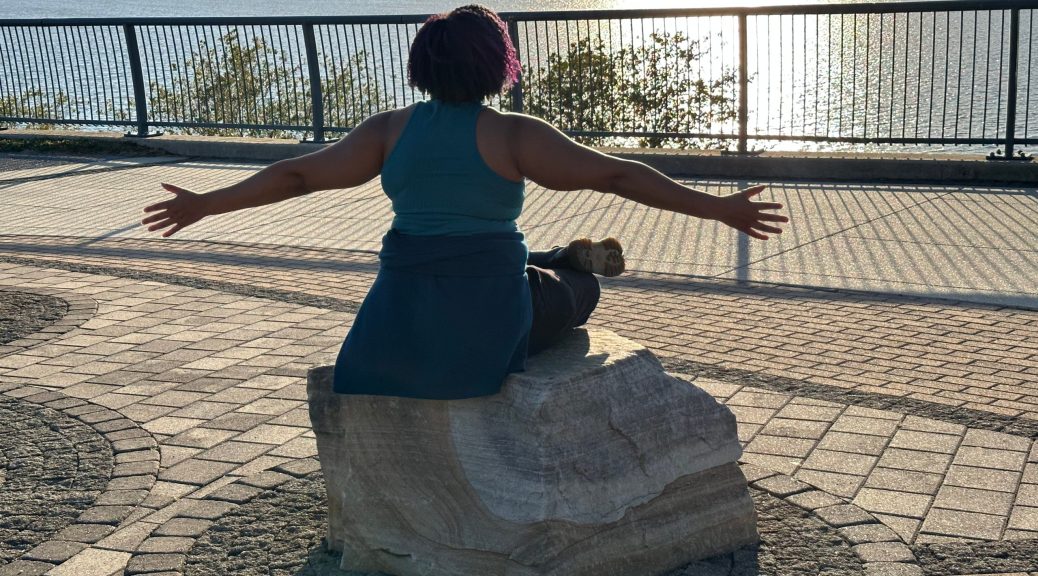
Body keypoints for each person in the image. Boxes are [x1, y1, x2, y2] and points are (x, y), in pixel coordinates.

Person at [142, 4, 787, 400]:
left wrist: (204, 205)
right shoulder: (513, 134)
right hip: (491, 317)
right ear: (494, 66)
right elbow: (618, 176)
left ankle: (559, 256)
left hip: (397, 324)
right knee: (579, 293)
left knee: (486, 253)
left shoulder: (389, 131)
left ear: (422, 64)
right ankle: (573, 262)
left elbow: (294, 177)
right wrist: (719, 209)